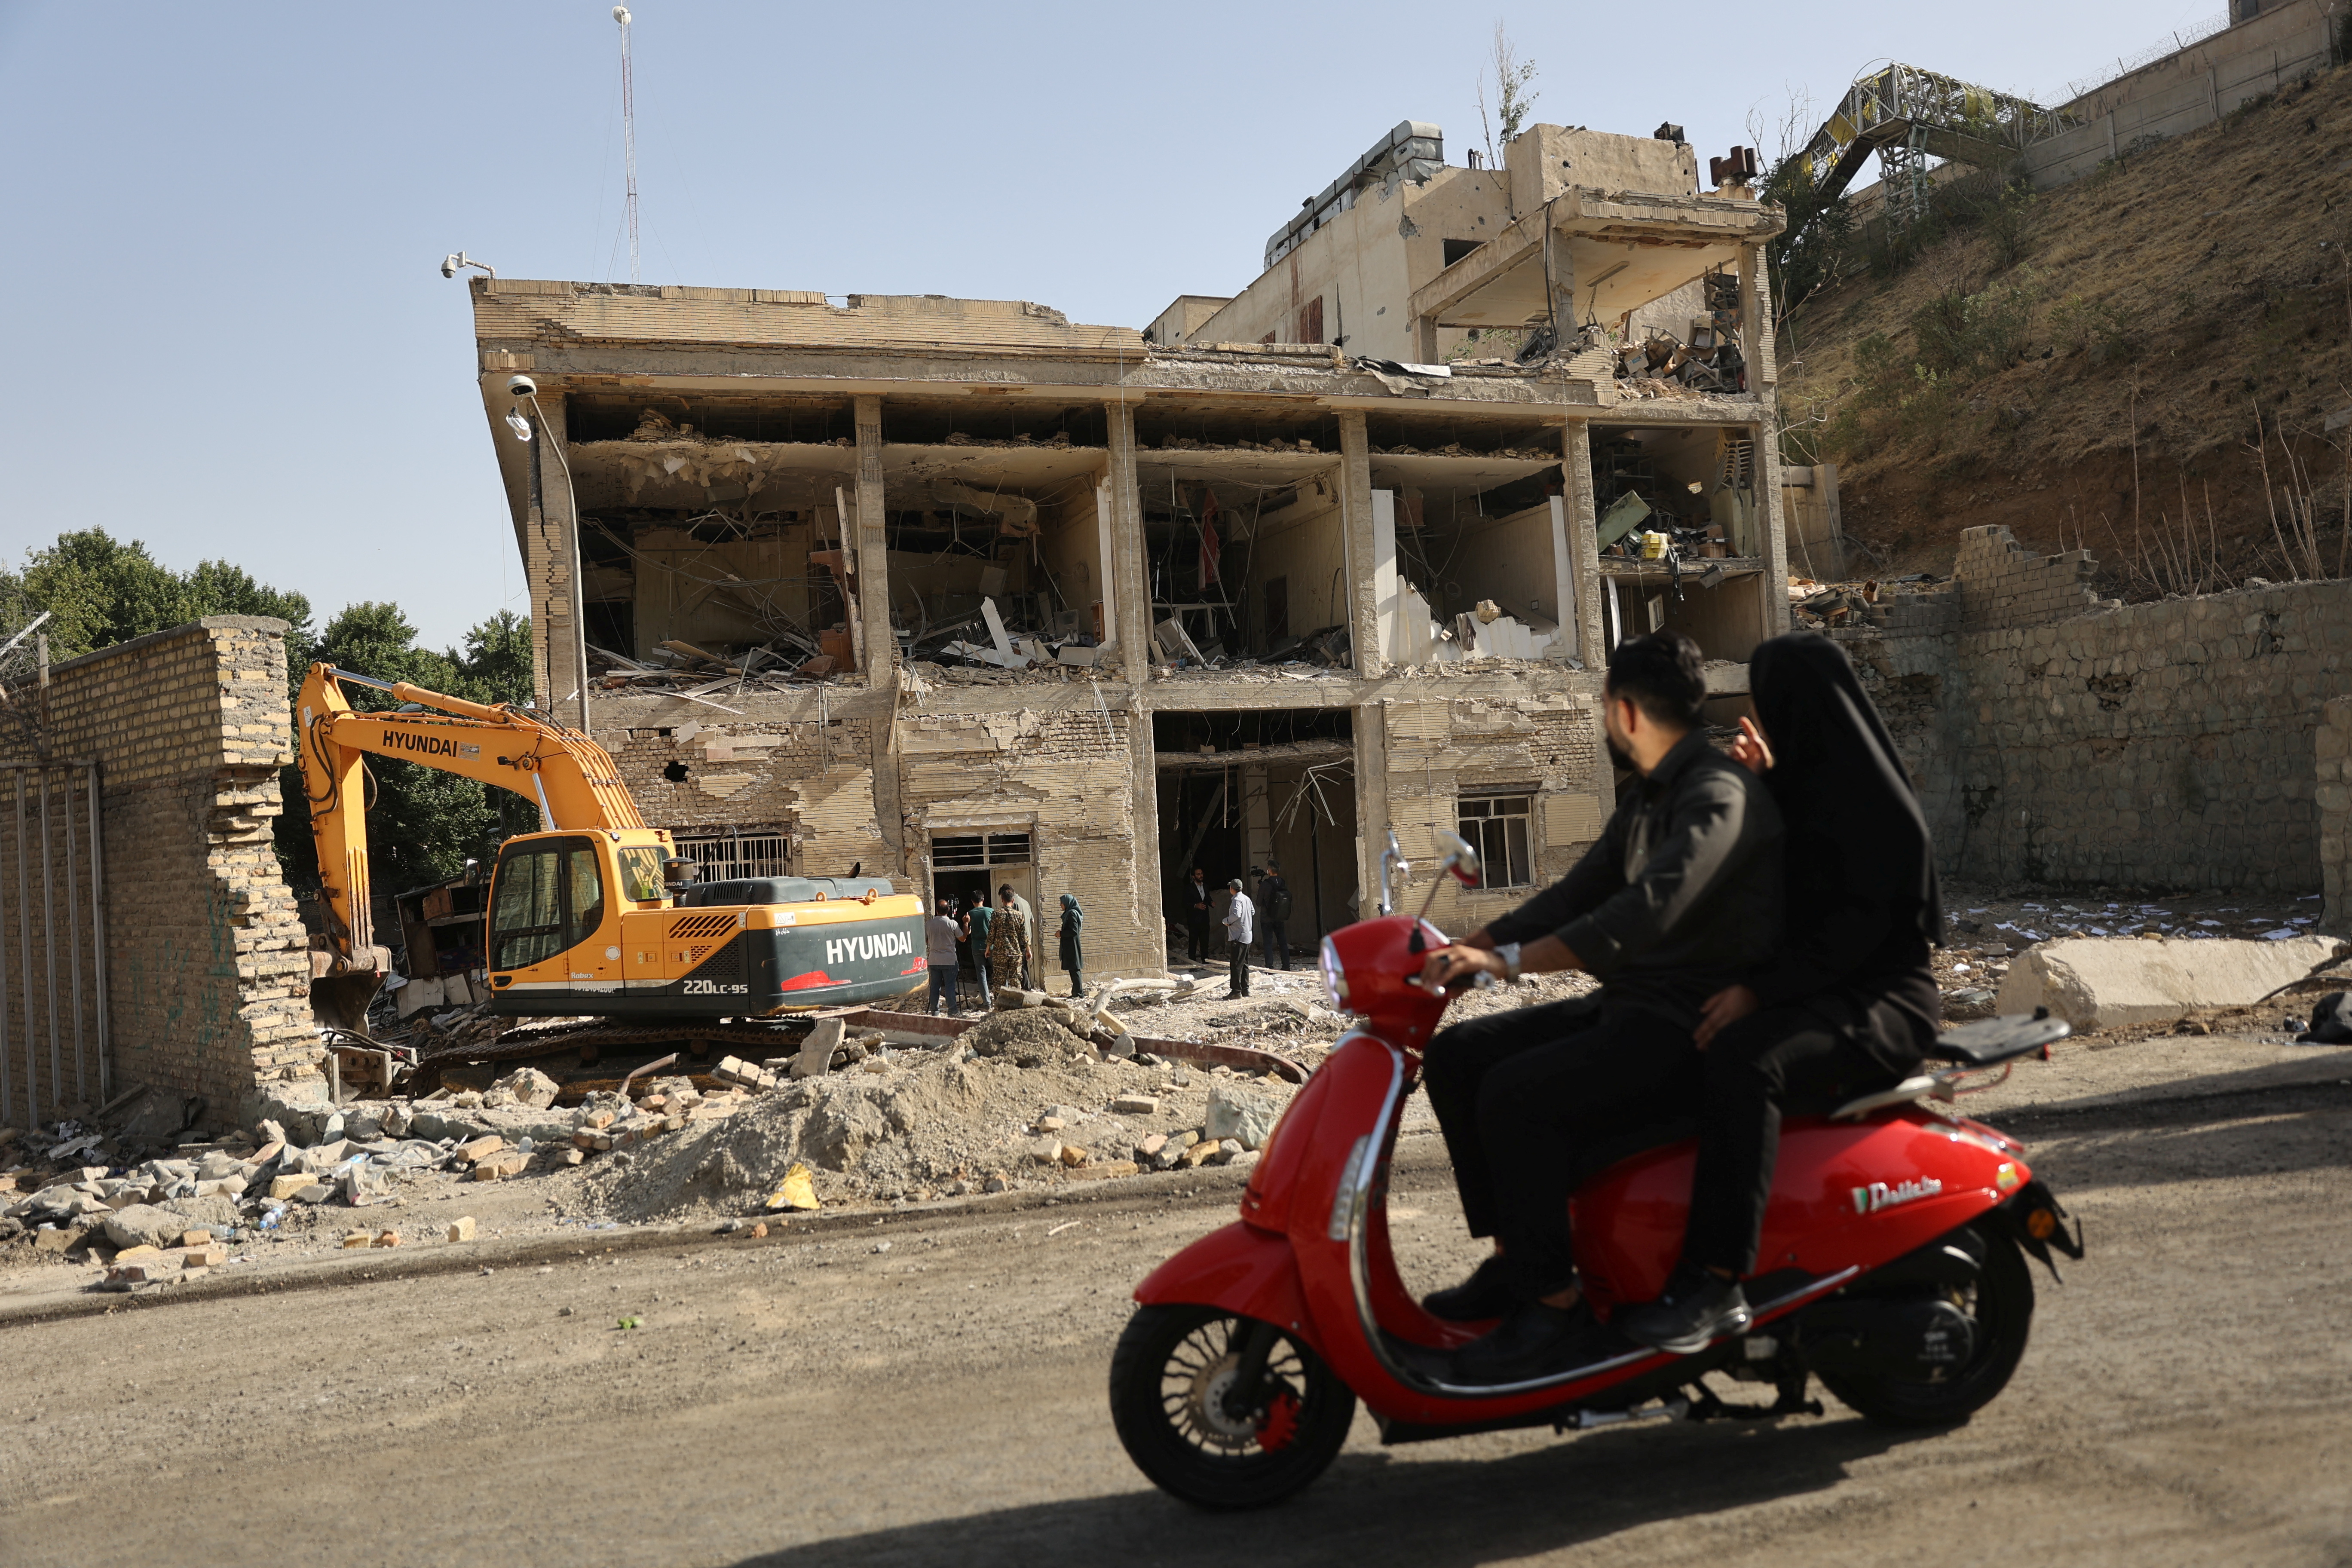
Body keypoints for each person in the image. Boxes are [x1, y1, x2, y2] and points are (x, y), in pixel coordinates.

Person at [1412, 631, 1783, 1382]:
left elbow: (1642, 912)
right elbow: (1572, 894)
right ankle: (1518, 1260)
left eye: (1605, 711)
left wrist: (1506, 963)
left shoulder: (1714, 791)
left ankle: (1553, 1306)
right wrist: (1467, 947)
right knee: (1458, 1057)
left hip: (1682, 1026)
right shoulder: (1649, 796)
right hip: (1629, 1005)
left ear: (1624, 711)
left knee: (1517, 1096)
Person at [1617, 631, 1942, 1353]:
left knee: (1745, 1058)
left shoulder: (1873, 810)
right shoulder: (1806, 785)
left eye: (1774, 707)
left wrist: (1757, 994)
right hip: (1826, 990)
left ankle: (1717, 1278)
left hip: (1884, 1001)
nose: (1765, 722)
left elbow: (1849, 934)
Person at [925, 897, 969, 1015]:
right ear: (949, 910)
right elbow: (963, 939)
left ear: (937, 910)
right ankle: (953, 1011)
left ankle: (934, 1012)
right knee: (950, 987)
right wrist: (965, 924)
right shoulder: (952, 924)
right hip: (949, 961)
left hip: (934, 960)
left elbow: (926, 941)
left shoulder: (929, 924)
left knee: (935, 987)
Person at [986, 885, 1031, 999]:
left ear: (1002, 899)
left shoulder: (996, 914)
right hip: (1015, 953)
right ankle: (1015, 1005)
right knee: (1016, 980)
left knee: (999, 981)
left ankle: (1000, 1005)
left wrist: (988, 949)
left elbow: (991, 933)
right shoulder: (1019, 915)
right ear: (1013, 900)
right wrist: (1028, 949)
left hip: (1000, 953)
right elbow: (1024, 935)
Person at [1221, 877, 1256, 998]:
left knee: (1236, 964)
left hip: (1238, 936)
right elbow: (1252, 912)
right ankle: (1245, 989)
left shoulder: (1237, 900)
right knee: (1244, 964)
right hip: (1248, 935)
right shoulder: (1246, 898)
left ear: (1232, 889)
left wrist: (1226, 921)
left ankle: (1236, 991)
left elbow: (1236, 914)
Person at [1257, 861, 1292, 971]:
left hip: (1267, 918)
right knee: (1282, 942)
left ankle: (1270, 967)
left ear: (1270, 870)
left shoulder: (1265, 884)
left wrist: (1261, 889)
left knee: (1268, 943)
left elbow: (1258, 902)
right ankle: (1286, 966)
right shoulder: (1283, 882)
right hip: (1280, 917)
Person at [1003, 883, 1039, 990]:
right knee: (1024, 965)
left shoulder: (1014, 904)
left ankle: (1026, 989)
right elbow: (1032, 920)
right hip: (1027, 939)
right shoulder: (1025, 902)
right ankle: (1026, 988)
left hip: (1019, 940)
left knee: (1020, 966)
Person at [966, 892, 995, 1000]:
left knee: (981, 975)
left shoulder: (970, 914)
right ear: (983, 899)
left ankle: (986, 1002)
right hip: (991, 946)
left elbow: (967, 932)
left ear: (973, 901)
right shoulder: (991, 911)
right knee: (998, 973)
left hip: (977, 947)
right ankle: (1002, 1000)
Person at [1057, 893, 1086, 998]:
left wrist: (1062, 933)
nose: (1061, 905)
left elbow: (1074, 931)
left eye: (1062, 903)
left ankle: (1079, 994)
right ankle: (1076, 993)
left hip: (1073, 946)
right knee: (1073, 970)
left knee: (1075, 970)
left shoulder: (1072, 914)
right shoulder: (1069, 913)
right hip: (1070, 945)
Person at [1182, 868, 1213, 963]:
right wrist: (1196, 906)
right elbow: (1185, 904)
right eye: (1199, 874)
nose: (1201, 876)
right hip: (1194, 920)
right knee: (1193, 942)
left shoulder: (1206, 887)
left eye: (1202, 873)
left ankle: (1205, 961)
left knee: (1205, 942)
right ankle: (1193, 963)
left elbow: (1207, 898)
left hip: (1205, 919)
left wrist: (1211, 903)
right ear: (1194, 877)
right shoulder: (1189, 889)